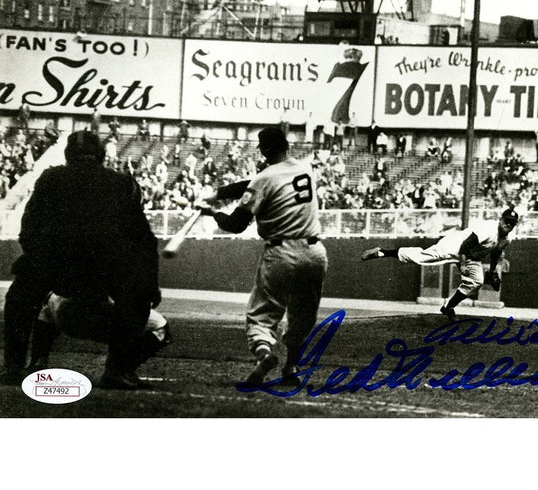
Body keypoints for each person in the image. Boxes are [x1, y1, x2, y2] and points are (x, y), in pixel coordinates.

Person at [1, 130, 169, 389]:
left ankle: (13, 367)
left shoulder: (51, 177)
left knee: (19, 295)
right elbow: (144, 240)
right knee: (137, 296)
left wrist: (37, 258)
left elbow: (30, 227)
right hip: (105, 268)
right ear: (102, 155)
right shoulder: (121, 182)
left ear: (68, 155)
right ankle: (117, 369)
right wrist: (149, 284)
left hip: (56, 263)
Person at [198, 126, 327, 387]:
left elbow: (235, 223)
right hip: (315, 253)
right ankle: (290, 367)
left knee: (262, 314)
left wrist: (210, 212)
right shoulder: (305, 169)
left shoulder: (264, 178)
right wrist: (220, 193)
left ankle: (264, 354)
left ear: (266, 149)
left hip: (282, 253)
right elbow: (257, 183)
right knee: (302, 315)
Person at [361, 208, 519, 320]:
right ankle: (382, 252)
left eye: (512, 223)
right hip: (456, 245)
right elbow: (466, 244)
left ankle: (448, 307)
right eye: (507, 221)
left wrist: (492, 271)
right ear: (501, 219)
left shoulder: (507, 238)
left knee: (477, 281)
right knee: (423, 257)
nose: (509, 225)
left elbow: (496, 253)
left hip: (471, 255)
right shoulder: (489, 228)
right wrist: (462, 264)